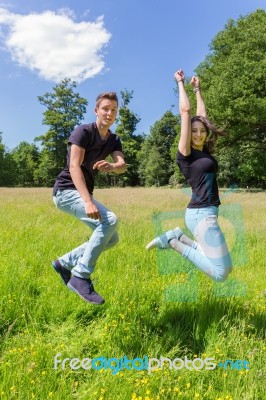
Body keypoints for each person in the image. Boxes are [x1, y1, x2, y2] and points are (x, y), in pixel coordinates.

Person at [146, 69, 232, 282]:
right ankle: (174, 243)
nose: (199, 133)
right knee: (220, 273)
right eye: (194, 130)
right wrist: (181, 83)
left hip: (208, 212)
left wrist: (197, 89)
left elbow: (201, 116)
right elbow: (186, 112)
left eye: (202, 130)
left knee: (227, 267)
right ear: (187, 133)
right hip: (200, 215)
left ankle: (179, 236)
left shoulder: (204, 153)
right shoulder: (185, 153)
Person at [52, 92, 126, 305]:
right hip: (66, 191)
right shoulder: (83, 132)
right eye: (105, 108)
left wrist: (112, 166)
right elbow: (74, 166)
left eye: (113, 110)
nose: (109, 113)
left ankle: (64, 263)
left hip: (81, 193)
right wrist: (87, 200)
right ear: (96, 111)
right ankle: (81, 276)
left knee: (111, 238)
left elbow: (121, 166)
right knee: (110, 220)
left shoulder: (113, 140)